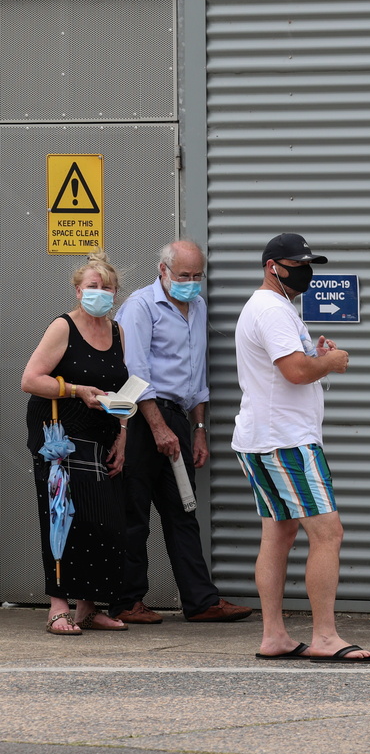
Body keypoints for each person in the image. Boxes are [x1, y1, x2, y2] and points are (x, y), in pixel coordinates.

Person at [233, 233, 370, 662]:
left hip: (262, 437)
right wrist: (329, 362)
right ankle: (326, 637)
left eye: (308, 264)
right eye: (297, 265)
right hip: (287, 441)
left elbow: (287, 366)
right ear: (272, 266)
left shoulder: (269, 308)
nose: (306, 272)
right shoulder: (272, 309)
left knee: (278, 533)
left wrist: (314, 354)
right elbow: (296, 372)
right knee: (328, 533)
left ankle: (274, 636)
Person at [110, 241, 252, 624]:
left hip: (177, 419)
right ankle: (126, 601)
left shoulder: (198, 306)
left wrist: (198, 429)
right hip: (143, 419)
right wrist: (158, 427)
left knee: (183, 511)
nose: (191, 282)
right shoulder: (140, 307)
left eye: (196, 276)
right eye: (183, 275)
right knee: (134, 512)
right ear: (163, 270)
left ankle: (201, 601)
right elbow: (135, 371)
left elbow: (197, 374)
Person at [21, 249, 130, 634]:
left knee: (103, 521)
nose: (101, 292)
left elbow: (120, 388)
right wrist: (76, 389)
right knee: (62, 516)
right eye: (93, 286)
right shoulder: (63, 326)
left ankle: (89, 607)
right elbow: (30, 379)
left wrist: (122, 434)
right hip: (59, 436)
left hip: (101, 435)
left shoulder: (117, 331)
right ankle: (58, 607)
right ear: (79, 290)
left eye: (108, 287)